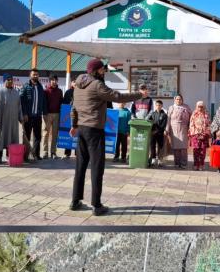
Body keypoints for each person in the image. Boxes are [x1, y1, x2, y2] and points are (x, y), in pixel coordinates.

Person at [70, 58, 142, 215]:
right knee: (97, 167)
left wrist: (74, 125)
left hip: (82, 129)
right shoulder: (97, 85)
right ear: (96, 70)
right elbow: (117, 97)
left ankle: (75, 201)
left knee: (80, 166)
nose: (104, 72)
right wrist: (139, 94)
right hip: (94, 130)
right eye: (103, 69)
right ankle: (96, 205)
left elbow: (73, 107)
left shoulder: (77, 84)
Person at [0, 74, 22, 165]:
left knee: (12, 139)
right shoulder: (0, 92)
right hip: (2, 121)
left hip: (13, 122)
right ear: (4, 81)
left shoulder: (16, 93)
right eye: (8, 80)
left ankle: (10, 156)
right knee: (0, 139)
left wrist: (20, 117)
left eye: (11, 79)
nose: (10, 81)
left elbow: (19, 106)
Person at [20, 68, 48, 162]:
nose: (35, 76)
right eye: (33, 74)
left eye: (37, 74)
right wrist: (24, 113)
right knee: (26, 137)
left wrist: (44, 113)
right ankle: (25, 156)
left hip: (37, 116)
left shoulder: (40, 87)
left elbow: (44, 101)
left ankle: (36, 155)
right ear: (30, 76)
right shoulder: (26, 86)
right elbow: (21, 101)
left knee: (37, 137)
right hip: (28, 117)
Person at [166, 94, 192, 169]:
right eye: (177, 99)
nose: (178, 100)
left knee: (183, 147)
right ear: (174, 100)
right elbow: (168, 119)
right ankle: (177, 163)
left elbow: (191, 118)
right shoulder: (171, 108)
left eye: (180, 99)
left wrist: (190, 128)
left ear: (182, 100)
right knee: (176, 147)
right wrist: (167, 129)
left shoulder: (186, 107)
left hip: (184, 128)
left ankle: (183, 163)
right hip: (173, 129)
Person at [43, 75, 63, 159]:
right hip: (47, 114)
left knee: (55, 134)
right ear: (50, 81)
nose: (54, 82)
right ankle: (45, 152)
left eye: (56, 80)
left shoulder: (59, 91)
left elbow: (61, 102)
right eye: (52, 80)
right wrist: (44, 113)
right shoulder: (46, 91)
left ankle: (53, 152)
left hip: (57, 114)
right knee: (46, 133)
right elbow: (43, 103)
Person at [189, 101, 212, 171]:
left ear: (204, 107)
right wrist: (196, 134)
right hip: (195, 136)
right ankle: (196, 164)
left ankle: (201, 164)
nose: (200, 108)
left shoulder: (206, 115)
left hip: (204, 136)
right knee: (196, 151)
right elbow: (191, 125)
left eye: (201, 107)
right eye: (199, 106)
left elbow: (209, 125)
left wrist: (204, 134)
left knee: (203, 151)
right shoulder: (194, 114)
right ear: (196, 107)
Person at [147, 100, 168, 167]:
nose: (158, 106)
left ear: (162, 106)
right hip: (152, 133)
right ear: (155, 106)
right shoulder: (152, 114)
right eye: (157, 105)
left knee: (160, 147)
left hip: (160, 133)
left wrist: (157, 131)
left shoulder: (164, 115)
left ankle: (160, 160)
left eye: (159, 105)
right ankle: (153, 159)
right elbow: (149, 121)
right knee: (152, 146)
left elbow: (163, 125)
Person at [61, 78, 76, 159]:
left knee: (77, 134)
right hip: (68, 116)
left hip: (78, 117)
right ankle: (67, 153)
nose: (75, 83)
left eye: (76, 81)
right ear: (71, 83)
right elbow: (64, 104)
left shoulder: (81, 91)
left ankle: (78, 153)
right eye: (74, 81)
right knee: (68, 133)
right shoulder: (68, 92)